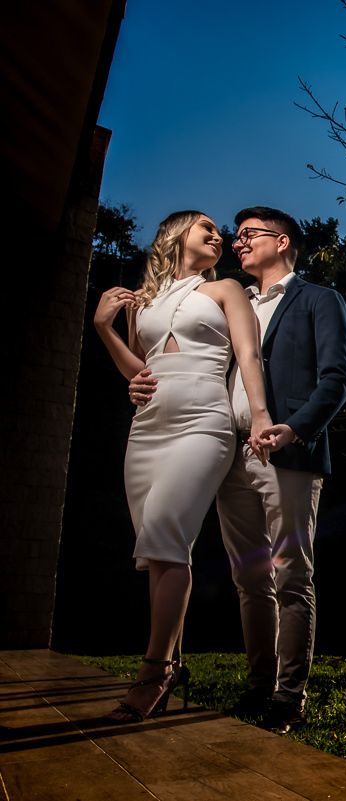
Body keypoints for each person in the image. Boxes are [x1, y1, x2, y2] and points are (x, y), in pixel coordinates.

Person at [129, 206, 346, 733]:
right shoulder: (223, 299)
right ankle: (258, 688)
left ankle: (289, 697)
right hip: (229, 452)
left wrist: (294, 428)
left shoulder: (319, 299)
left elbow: (337, 378)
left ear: (282, 241)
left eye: (249, 234)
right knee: (249, 578)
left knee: (291, 573)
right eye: (236, 235)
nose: (237, 242)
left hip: (287, 454)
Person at [94, 211, 274, 723]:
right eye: (206, 228)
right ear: (174, 236)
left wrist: (259, 415)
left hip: (203, 421)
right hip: (147, 428)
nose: (218, 236)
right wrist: (104, 328)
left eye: (219, 232)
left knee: (168, 535)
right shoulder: (143, 302)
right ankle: (171, 663)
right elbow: (140, 371)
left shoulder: (226, 291)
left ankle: (153, 672)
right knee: (155, 549)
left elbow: (248, 356)